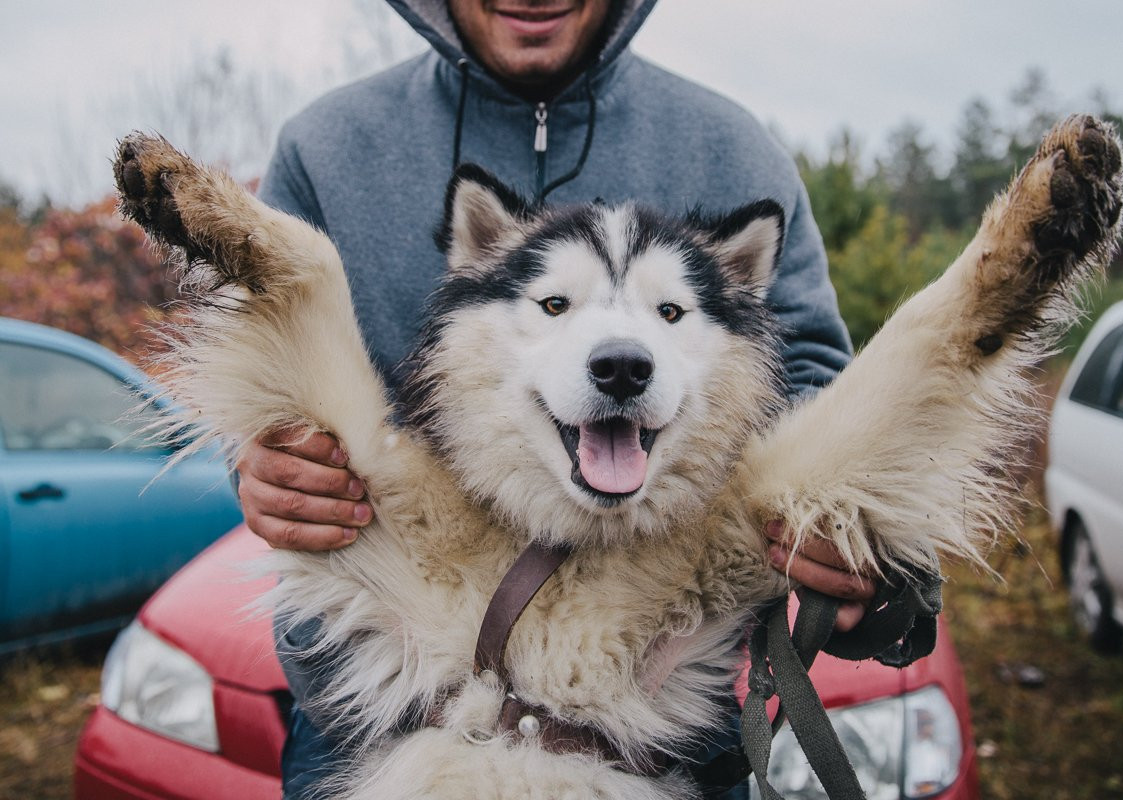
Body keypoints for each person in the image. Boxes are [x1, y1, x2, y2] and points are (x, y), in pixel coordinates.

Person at [238, 1, 878, 796]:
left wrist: (832, 529)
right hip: (378, 708)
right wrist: (256, 465)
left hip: (656, 724)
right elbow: (266, 360)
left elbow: (812, 377)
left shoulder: (733, 151)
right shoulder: (325, 148)